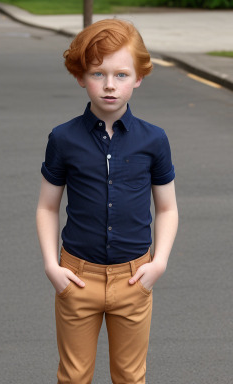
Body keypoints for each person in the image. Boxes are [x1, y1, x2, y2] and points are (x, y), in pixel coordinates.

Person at [36, 18, 178, 384]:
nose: (110, 85)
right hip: (77, 278)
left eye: (121, 74)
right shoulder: (63, 139)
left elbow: (167, 208)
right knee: (73, 376)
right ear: (81, 76)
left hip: (134, 279)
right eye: (98, 73)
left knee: (131, 376)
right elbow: (47, 207)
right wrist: (53, 267)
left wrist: (158, 263)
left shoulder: (154, 140)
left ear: (139, 77)